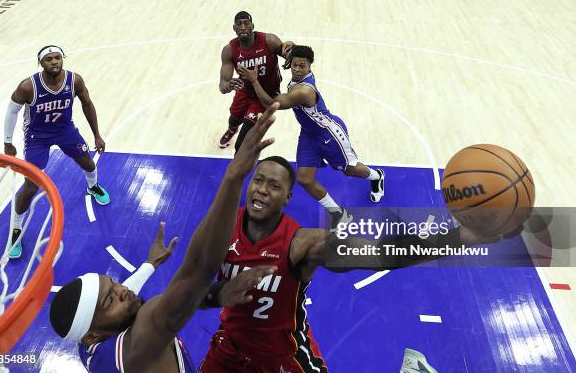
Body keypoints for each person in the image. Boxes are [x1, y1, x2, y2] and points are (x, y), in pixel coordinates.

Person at [199, 156, 504, 372]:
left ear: (288, 198)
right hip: (230, 351)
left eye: (274, 186)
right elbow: (191, 291)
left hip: (283, 357)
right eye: (258, 181)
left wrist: (459, 237)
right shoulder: (224, 225)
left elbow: (381, 254)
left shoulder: (304, 243)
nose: (262, 189)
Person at [50, 103, 282, 373]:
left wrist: (149, 266)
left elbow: (135, 292)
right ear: (92, 334)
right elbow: (196, 272)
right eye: (111, 300)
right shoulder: (139, 341)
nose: (123, 291)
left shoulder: (89, 343)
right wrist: (233, 178)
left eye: (113, 283)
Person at [237, 45, 385, 226]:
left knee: (349, 170)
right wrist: (285, 48)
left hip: (329, 134)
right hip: (308, 134)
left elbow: (271, 104)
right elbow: (287, 50)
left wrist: (254, 80)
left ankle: (377, 176)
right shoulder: (295, 71)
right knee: (305, 179)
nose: (298, 70)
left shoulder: (304, 91)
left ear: (310, 67)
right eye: (295, 65)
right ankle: (338, 214)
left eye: (302, 66)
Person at [3, 45, 110, 259]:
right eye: (49, 59)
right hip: (37, 136)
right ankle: (15, 230)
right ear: (41, 63)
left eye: (58, 58)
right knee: (31, 184)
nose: (54, 62)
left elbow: (87, 104)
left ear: (63, 59)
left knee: (88, 163)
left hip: (65, 130)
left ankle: (93, 187)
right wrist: (8, 142)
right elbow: (11, 111)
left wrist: (97, 134)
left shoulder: (75, 80)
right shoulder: (28, 86)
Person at [218, 11, 294, 151]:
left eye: (246, 23)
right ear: (234, 28)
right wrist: (228, 85)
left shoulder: (269, 41)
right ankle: (231, 130)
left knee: (241, 144)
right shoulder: (229, 50)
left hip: (265, 94)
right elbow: (222, 86)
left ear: (252, 26)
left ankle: (240, 161)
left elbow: (288, 52)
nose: (242, 27)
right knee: (234, 118)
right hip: (244, 91)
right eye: (238, 24)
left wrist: (291, 50)